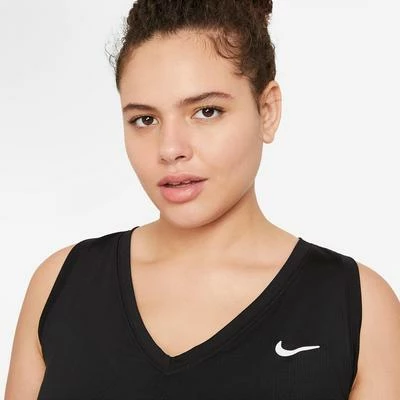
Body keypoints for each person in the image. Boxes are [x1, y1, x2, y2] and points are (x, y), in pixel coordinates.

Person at [5, 0, 400, 399]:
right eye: (145, 119)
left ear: (267, 111)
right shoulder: (61, 284)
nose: (170, 149)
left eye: (206, 111)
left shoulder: (357, 306)